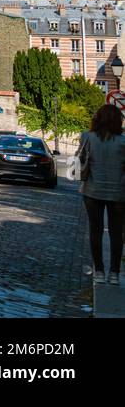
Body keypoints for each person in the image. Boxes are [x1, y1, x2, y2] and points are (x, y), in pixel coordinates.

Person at [77, 103, 125, 285]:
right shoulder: (123, 142)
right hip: (118, 192)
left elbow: (80, 159)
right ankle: (114, 273)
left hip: (92, 190)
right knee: (116, 233)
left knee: (95, 231)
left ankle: (98, 271)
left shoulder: (87, 137)